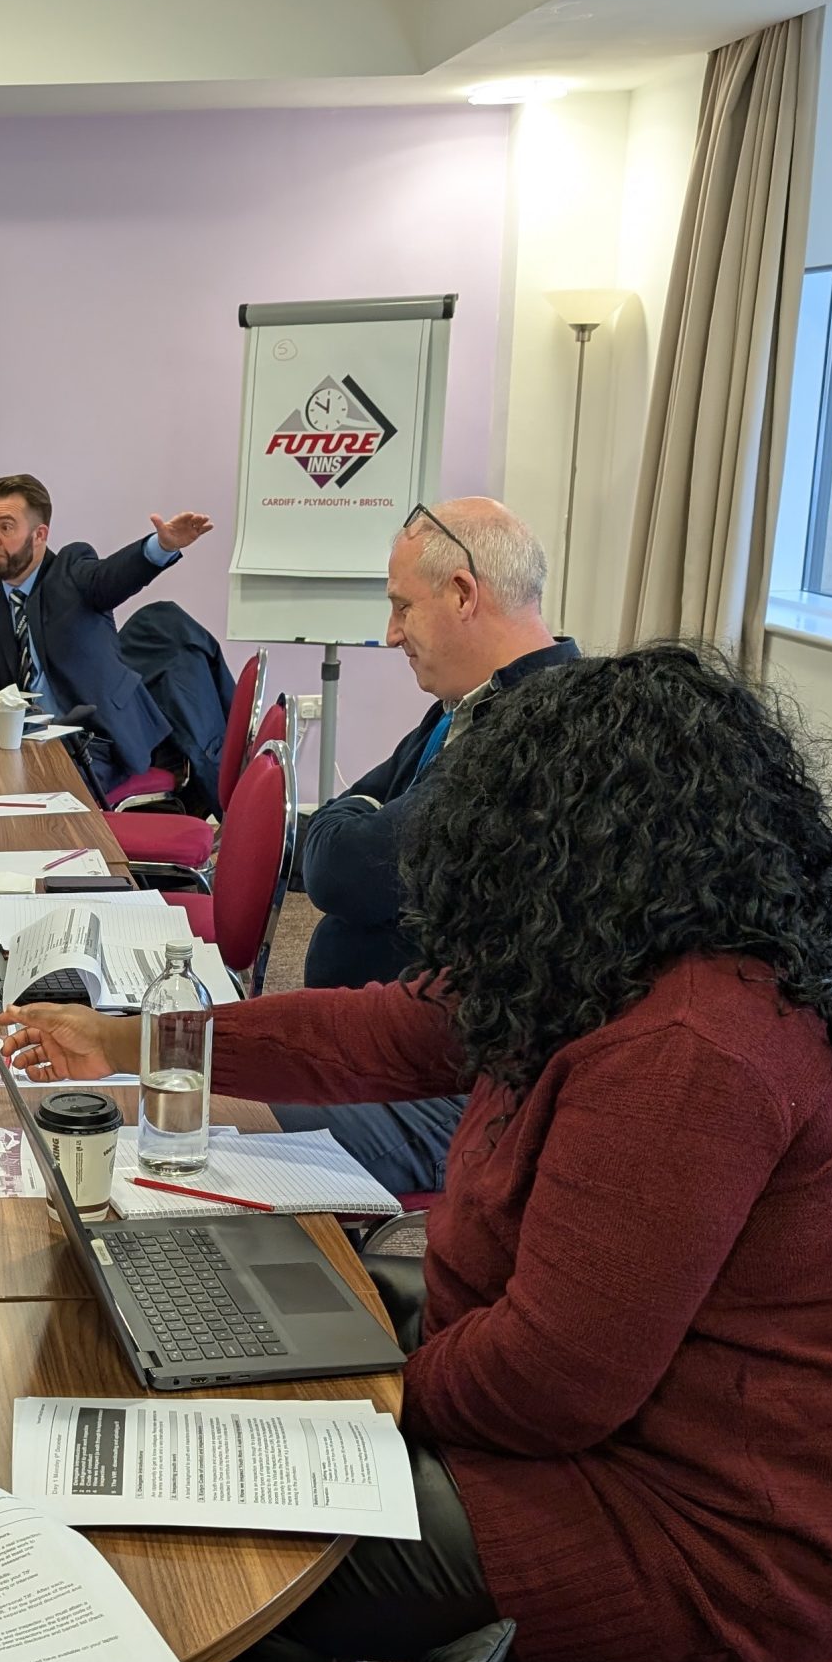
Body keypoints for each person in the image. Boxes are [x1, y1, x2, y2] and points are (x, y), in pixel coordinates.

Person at [1, 644, 832, 1662]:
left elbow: (547, 1385)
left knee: (207, 1538)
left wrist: (343, 1402)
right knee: (196, 1333)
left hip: (709, 1526)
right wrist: (133, 1040)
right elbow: (372, 1035)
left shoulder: (693, 1050)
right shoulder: (600, 958)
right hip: (601, 1415)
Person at [271, 499, 577, 1195]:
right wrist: (355, 817)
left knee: (205, 1123)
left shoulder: (533, 736)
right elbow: (332, 835)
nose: (388, 635)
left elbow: (346, 872)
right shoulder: (467, 706)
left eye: (402, 607)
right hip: (384, 1046)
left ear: (464, 593)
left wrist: (356, 817)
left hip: (454, 1085)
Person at [0, 474, 213, 797]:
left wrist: (161, 547)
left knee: (37, 789)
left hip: (96, 741)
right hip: (25, 743)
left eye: (5, 527)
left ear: (39, 534)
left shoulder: (71, 571)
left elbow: (113, 576)